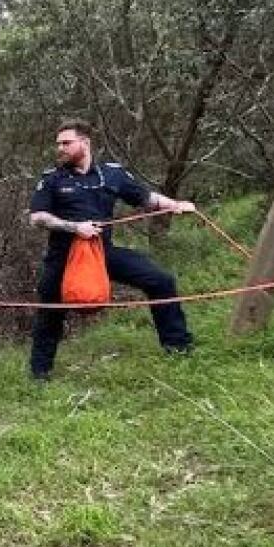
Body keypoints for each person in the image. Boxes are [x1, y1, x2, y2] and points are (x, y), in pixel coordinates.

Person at [28, 119, 196, 381]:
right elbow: (37, 218)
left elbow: (146, 199)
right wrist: (75, 227)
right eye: (58, 143)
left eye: (66, 143)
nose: (60, 148)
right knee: (50, 313)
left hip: (102, 253)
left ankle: (179, 349)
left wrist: (175, 204)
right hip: (64, 257)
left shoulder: (112, 174)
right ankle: (39, 375)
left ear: (85, 143)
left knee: (161, 281)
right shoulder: (51, 179)